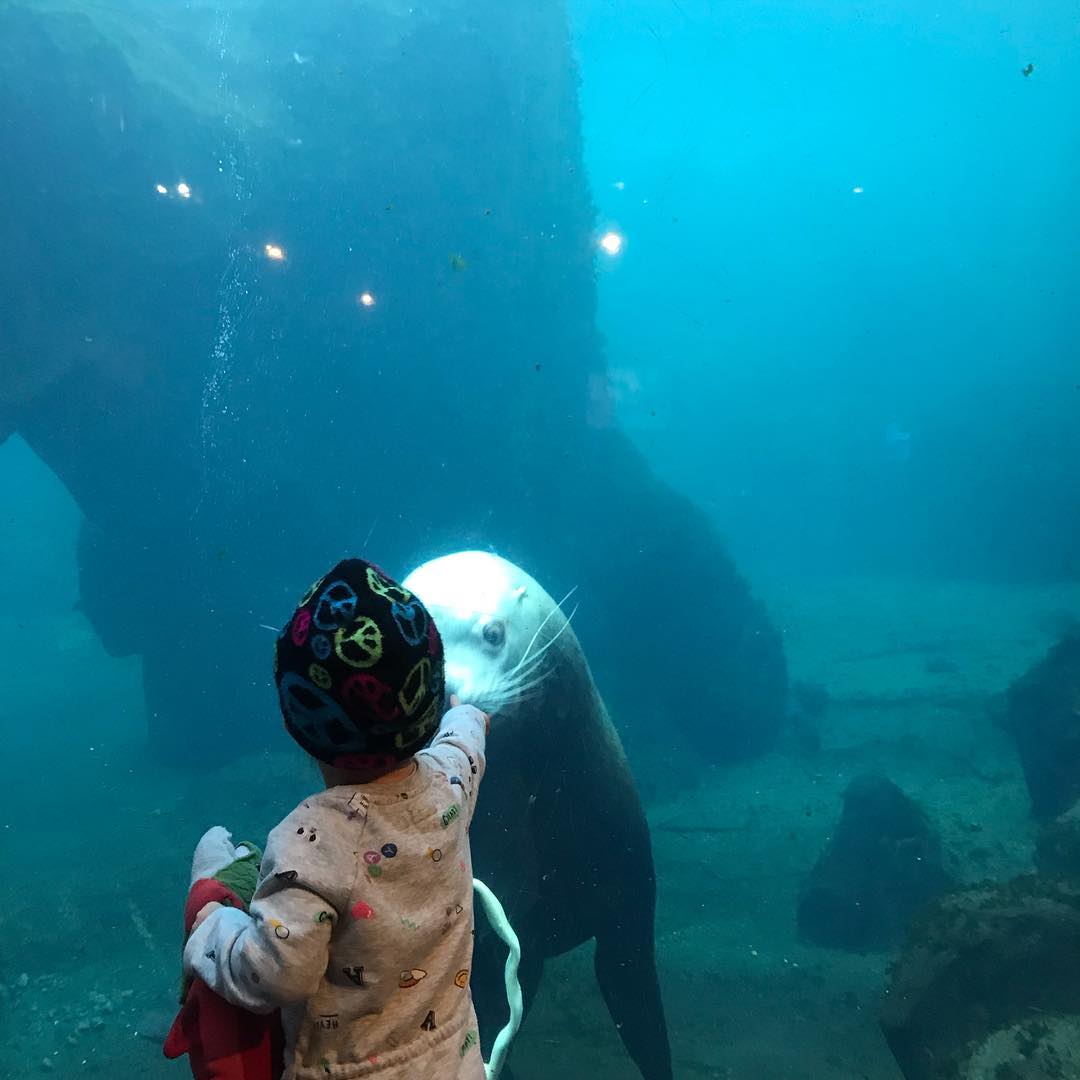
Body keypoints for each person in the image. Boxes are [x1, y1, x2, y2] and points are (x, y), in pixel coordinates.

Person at [182, 558, 490, 1078]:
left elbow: (273, 976)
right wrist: (464, 712)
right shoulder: (450, 787)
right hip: (453, 1062)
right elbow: (466, 745)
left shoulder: (311, 846)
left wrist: (211, 922)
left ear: (297, 720)